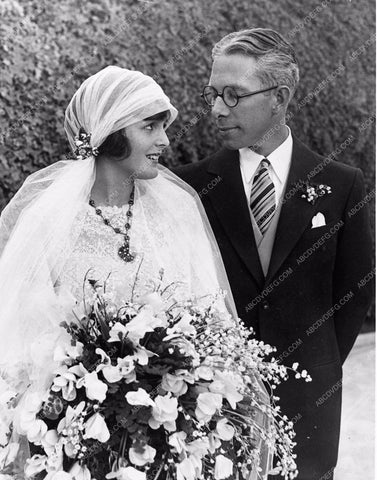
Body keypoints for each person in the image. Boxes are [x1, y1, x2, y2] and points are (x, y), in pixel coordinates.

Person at [0, 66, 271, 478]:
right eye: (150, 126)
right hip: (77, 444)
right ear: (110, 131)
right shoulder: (50, 221)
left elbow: (211, 320)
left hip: (173, 441)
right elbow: (20, 343)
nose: (164, 140)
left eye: (164, 126)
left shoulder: (176, 210)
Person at [175, 28, 373, 480]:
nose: (217, 109)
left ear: (279, 97)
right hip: (215, 410)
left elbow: (355, 293)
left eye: (233, 95)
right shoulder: (190, 188)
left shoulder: (341, 184)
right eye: (213, 94)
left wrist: (314, 365)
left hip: (310, 410)